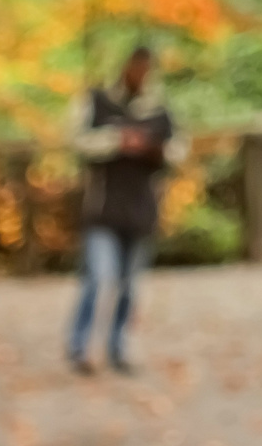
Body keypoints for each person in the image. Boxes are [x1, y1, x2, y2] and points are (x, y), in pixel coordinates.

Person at [65, 45, 187, 375]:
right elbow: (77, 140)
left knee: (130, 285)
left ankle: (119, 347)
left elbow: (179, 151)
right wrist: (117, 141)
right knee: (98, 278)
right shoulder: (99, 101)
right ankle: (81, 346)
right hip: (103, 210)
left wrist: (151, 148)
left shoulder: (160, 109)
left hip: (141, 210)